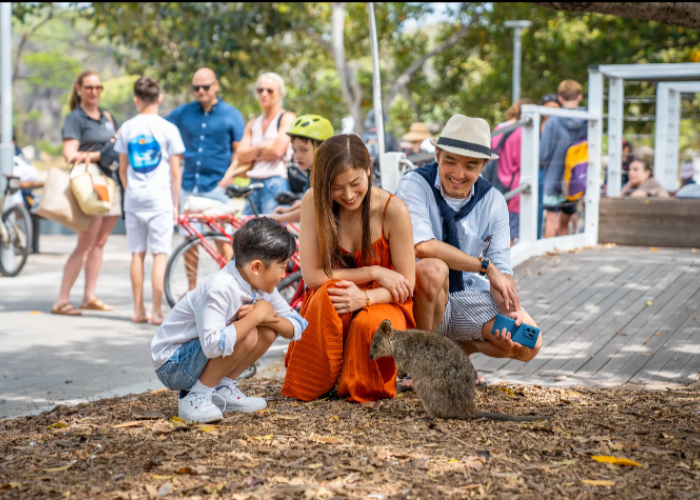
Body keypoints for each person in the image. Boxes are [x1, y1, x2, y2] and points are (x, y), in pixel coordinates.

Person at [396, 115, 541, 384]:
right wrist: (485, 267)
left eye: (470, 165)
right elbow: (423, 246)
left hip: (469, 296)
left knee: (529, 344)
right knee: (431, 269)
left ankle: (460, 352)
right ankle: (419, 364)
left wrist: (509, 309)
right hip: (422, 297)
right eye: (450, 160)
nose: (458, 173)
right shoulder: (414, 184)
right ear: (437, 153)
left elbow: (503, 270)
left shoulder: (494, 201)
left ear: (484, 165)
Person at [282, 134, 416, 403]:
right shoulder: (313, 201)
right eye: (335, 187)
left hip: (384, 298)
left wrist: (365, 297)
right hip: (336, 294)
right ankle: (317, 382)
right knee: (330, 294)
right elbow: (312, 276)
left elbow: (406, 285)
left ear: (369, 169)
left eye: (356, 183)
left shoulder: (393, 209)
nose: (348, 195)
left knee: (370, 326)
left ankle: (353, 383)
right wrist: (375, 272)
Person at [152, 218, 308, 422]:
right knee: (249, 333)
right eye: (282, 267)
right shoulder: (220, 287)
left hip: (196, 356)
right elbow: (212, 346)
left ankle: (221, 389)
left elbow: (297, 326)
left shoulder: (260, 286)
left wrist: (265, 317)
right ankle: (195, 398)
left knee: (268, 330)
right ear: (257, 267)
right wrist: (256, 317)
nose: (284, 275)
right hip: (172, 363)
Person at [115, 77, 185, 324]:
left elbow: (123, 169)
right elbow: (175, 172)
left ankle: (138, 310)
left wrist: (130, 190)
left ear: (136, 100)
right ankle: (156, 312)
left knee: (136, 253)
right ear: (160, 98)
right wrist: (175, 203)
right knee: (160, 254)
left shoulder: (126, 128)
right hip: (160, 199)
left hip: (134, 198)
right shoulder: (169, 129)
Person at [51, 71, 121, 317]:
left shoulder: (107, 116)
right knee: (85, 243)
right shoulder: (75, 118)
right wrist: (100, 154)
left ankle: (89, 296)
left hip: (110, 183)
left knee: (99, 243)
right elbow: (70, 154)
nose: (94, 92)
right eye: (89, 87)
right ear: (79, 89)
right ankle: (61, 300)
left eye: (98, 87)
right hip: (90, 184)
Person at [235, 73, 296, 215]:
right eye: (260, 90)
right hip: (253, 183)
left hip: (276, 182)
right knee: (248, 232)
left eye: (270, 90)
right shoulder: (253, 124)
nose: (264, 94)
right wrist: (261, 146)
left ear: (280, 94)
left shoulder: (286, 118)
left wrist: (251, 153)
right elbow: (239, 155)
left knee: (273, 232)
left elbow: (277, 151)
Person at [539, 80, 587, 238]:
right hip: (574, 179)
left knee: (551, 223)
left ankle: (548, 258)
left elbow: (543, 154)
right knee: (564, 224)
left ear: (560, 99)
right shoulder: (588, 119)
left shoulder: (553, 121)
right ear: (579, 97)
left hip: (553, 179)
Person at [272, 114, 334, 223]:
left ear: (323, 148)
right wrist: (289, 209)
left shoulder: (323, 176)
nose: (297, 156)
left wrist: (278, 219)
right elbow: (310, 201)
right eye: (294, 150)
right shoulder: (313, 172)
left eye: (304, 150)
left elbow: (311, 210)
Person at [492, 99, 532, 243]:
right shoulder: (523, 132)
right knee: (509, 232)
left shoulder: (498, 128)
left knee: (497, 229)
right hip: (515, 185)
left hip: (496, 182)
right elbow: (524, 161)